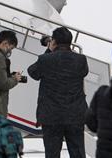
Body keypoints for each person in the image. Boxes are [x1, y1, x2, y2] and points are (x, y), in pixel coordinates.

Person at [27, 27, 89, 158]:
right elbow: (83, 72)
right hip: (75, 115)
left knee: (52, 154)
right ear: (70, 42)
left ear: (54, 41)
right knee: (78, 152)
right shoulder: (81, 60)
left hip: (51, 116)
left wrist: (48, 50)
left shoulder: (45, 59)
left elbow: (33, 72)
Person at [0, 29, 22, 117]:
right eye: (11, 48)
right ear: (5, 43)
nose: (10, 51)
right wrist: (15, 79)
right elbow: (2, 83)